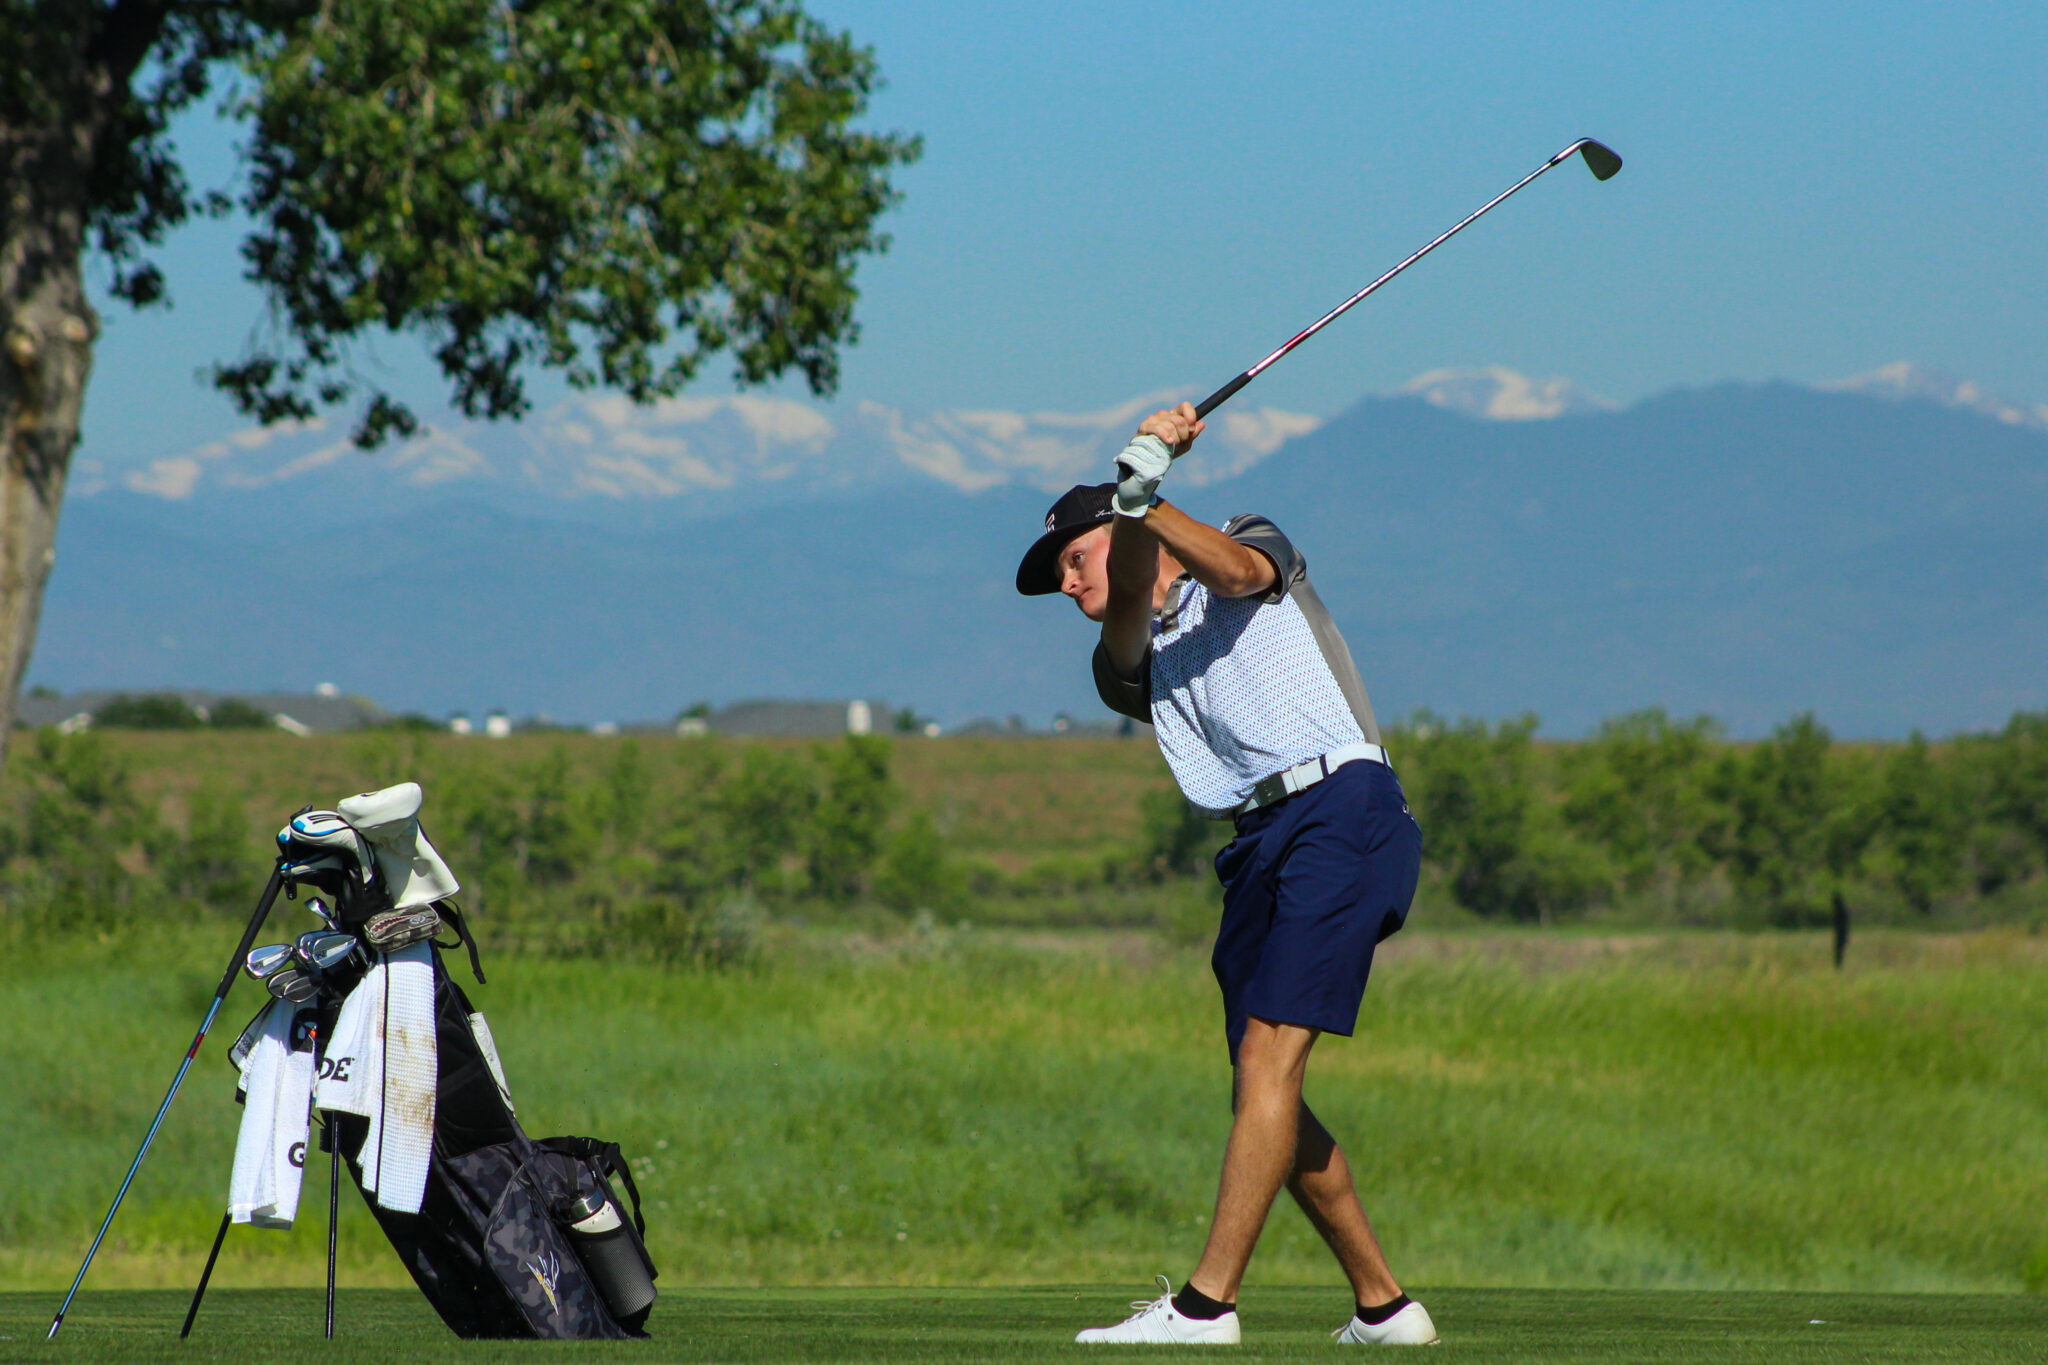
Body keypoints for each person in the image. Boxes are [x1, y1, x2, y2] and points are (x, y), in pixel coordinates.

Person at [1014, 403, 1435, 1347]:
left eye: (1069, 561)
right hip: (1257, 843)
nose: (1069, 585)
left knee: (1266, 1061)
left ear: (1112, 532)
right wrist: (1134, 509)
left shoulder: (1247, 540)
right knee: (1260, 1079)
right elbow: (1129, 606)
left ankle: (1207, 1306)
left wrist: (1146, 502)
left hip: (1345, 805)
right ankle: (1384, 1306)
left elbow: (1240, 573)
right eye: (1060, 580)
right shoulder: (1124, 662)